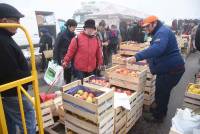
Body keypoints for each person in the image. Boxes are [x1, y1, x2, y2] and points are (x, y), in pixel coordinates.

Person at [127, 16, 185, 122]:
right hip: (167, 69)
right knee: (160, 91)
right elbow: (160, 51)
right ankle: (159, 111)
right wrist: (148, 60)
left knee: (162, 93)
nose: (146, 29)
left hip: (172, 70)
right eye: (145, 27)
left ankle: (158, 117)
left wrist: (137, 57)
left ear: (154, 23)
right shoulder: (160, 31)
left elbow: (158, 49)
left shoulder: (162, 32)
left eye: (148, 26)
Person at [0, 3, 36, 134]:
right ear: (4, 21)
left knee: (9, 122)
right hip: (13, 93)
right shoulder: (2, 41)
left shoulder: (5, 37)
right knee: (28, 119)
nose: (19, 23)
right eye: (16, 20)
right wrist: (29, 78)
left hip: (9, 93)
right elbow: (10, 72)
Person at [53, 19, 77, 84]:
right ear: (69, 26)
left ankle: (67, 86)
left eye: (75, 27)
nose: (75, 28)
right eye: (74, 27)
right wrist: (55, 58)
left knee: (69, 73)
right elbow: (56, 47)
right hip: (62, 57)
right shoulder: (61, 34)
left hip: (70, 57)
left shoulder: (74, 35)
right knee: (64, 74)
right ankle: (64, 87)